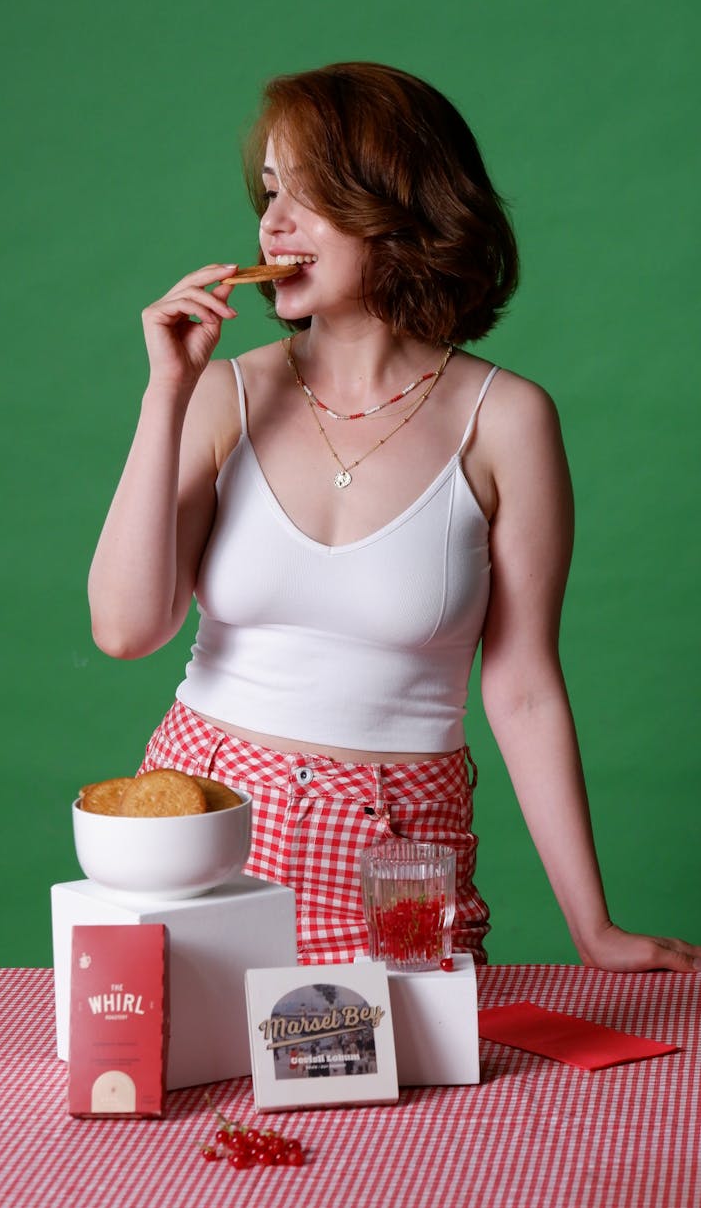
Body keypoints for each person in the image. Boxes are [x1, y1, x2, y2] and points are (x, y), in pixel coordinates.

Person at [88, 61, 700, 972]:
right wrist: (164, 394)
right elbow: (127, 627)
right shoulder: (223, 396)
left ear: (398, 208)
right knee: (185, 1094)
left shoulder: (508, 419)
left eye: (310, 195)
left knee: (401, 1101)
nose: (272, 224)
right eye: (268, 193)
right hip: (204, 830)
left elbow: (524, 684)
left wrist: (593, 925)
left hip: (400, 853)